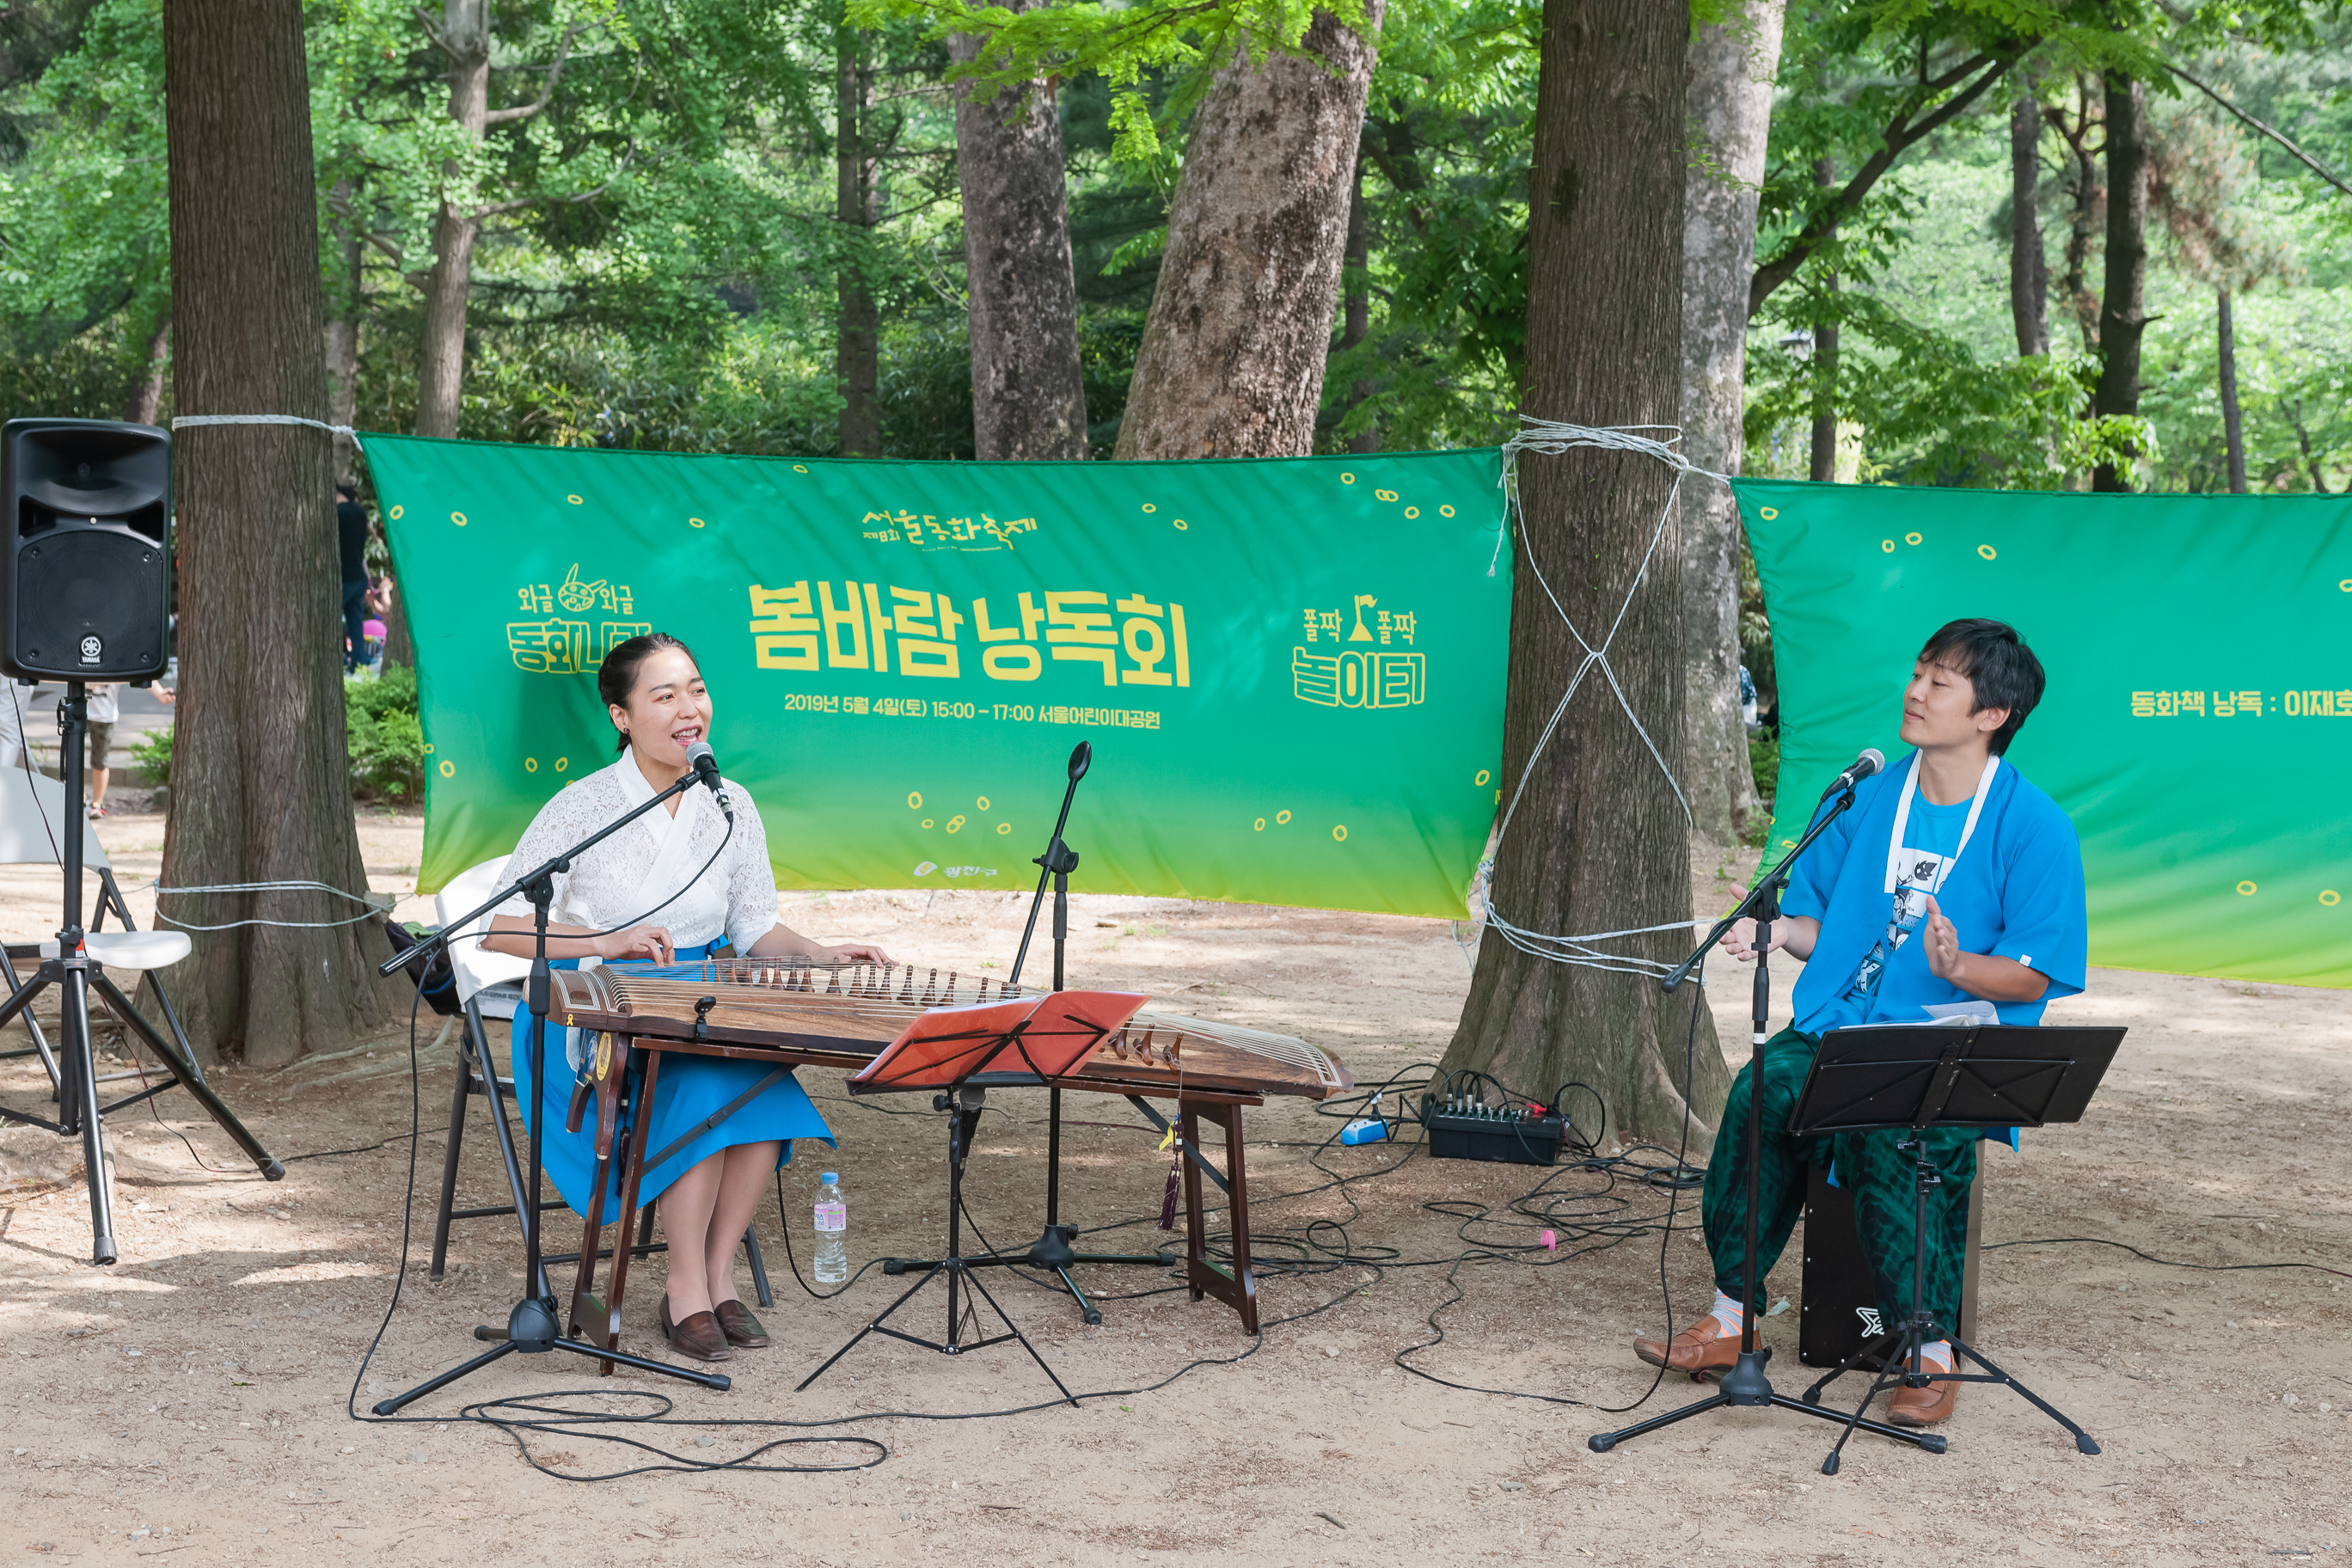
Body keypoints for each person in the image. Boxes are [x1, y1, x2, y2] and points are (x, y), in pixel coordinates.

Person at [1632, 618, 2085, 1427]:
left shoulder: (2034, 825)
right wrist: (1775, 932)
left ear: (1992, 715)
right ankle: (1733, 1319)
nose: (1916, 692)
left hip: (1950, 1042)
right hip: (1840, 1028)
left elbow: (2035, 971)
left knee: (1894, 1132)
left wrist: (1958, 967)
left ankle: (1928, 1350)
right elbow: (1819, 926)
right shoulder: (1864, 796)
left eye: (1940, 682)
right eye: (1918, 673)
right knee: (1760, 1094)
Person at [482, 633, 888, 1363]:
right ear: (621, 716)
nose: (688, 709)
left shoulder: (731, 803)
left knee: (761, 1086)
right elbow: (502, 929)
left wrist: (820, 953)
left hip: (703, 999)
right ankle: (683, 1287)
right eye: (664, 696)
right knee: (702, 1086)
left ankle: (717, 1274)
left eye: (696, 691)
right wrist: (608, 939)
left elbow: (754, 925)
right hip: (599, 1006)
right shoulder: (585, 805)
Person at [337, 483, 370, 673]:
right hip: (359, 576)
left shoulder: (338, 513)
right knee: (355, 621)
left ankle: (339, 661)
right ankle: (359, 660)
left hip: (343, 578)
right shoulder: (359, 511)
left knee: (329, 619)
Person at [83, 683, 117, 818]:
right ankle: (77, 799)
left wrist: (160, 693)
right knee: (72, 757)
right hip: (78, 711)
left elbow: (139, 671)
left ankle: (97, 803)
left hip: (104, 716)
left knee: (100, 761)